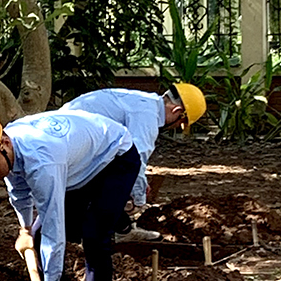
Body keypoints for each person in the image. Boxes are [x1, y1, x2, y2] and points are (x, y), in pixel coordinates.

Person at [0, 110, 140, 281]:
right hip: (76, 165)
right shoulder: (6, 148)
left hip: (115, 157)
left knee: (94, 235)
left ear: (5, 144)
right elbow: (18, 192)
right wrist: (25, 230)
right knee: (38, 235)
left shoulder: (42, 164)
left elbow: (55, 230)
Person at [62, 83, 206, 213]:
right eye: (181, 122)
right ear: (177, 111)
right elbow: (136, 158)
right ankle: (112, 230)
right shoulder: (148, 116)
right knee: (116, 178)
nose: (175, 127)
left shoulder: (142, 102)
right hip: (74, 143)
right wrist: (139, 200)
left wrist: (137, 182)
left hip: (65, 136)